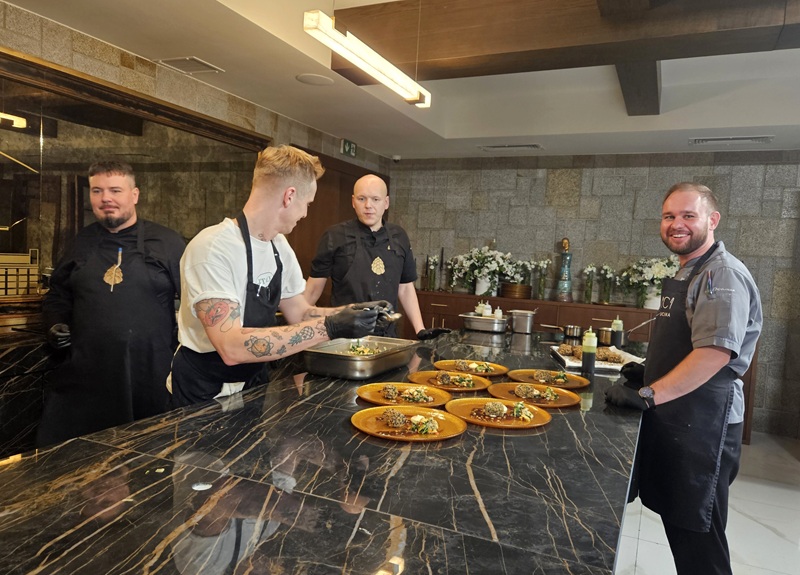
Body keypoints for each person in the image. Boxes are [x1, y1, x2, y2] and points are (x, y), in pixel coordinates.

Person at [605, 182, 762, 575]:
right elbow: (690, 341)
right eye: (669, 216)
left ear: (713, 219)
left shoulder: (720, 274)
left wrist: (649, 392)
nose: (677, 224)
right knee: (681, 528)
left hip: (705, 422)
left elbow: (714, 354)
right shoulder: (692, 269)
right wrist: (651, 369)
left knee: (699, 542)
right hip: (683, 414)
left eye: (688, 215)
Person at [170, 145, 389, 406]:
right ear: (289, 196)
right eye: (307, 204)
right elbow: (231, 347)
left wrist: (355, 313)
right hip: (203, 391)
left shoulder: (278, 246)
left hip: (252, 384)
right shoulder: (212, 248)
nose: (305, 213)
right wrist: (329, 327)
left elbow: (300, 313)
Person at [38, 160, 185, 446]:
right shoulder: (80, 242)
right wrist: (55, 324)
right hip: (87, 376)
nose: (106, 198)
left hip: (149, 375)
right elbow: (58, 295)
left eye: (115, 190)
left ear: (134, 194)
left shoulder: (167, 243)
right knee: (72, 459)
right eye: (97, 191)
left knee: (146, 459)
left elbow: (194, 302)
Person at [304, 174, 446, 340]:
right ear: (353, 201)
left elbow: (406, 287)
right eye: (361, 199)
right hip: (344, 337)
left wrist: (420, 329)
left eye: (375, 199)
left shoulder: (399, 236)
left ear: (386, 203)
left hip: (387, 336)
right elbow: (313, 288)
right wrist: (297, 328)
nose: (368, 205)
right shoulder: (334, 236)